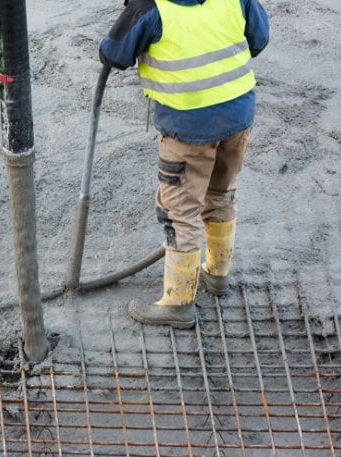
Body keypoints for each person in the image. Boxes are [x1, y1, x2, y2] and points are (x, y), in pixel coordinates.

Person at [99, 0, 269, 328]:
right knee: (221, 193)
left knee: (181, 213)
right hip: (238, 114)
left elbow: (114, 53)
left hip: (188, 129)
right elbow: (258, 39)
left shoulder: (151, 8)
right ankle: (217, 275)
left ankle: (178, 303)